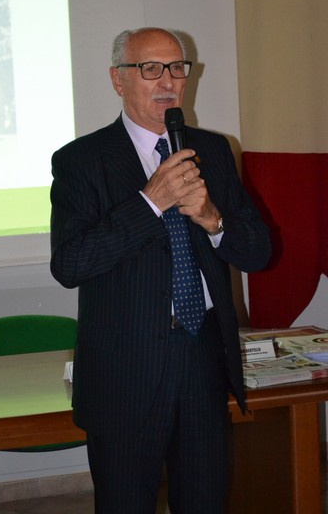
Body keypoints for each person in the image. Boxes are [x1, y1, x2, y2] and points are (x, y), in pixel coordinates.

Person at [50, 27, 271, 514]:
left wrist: (213, 219)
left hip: (203, 357)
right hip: (125, 371)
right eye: (150, 68)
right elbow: (70, 264)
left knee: (205, 501)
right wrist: (150, 202)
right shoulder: (81, 161)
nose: (167, 81)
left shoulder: (213, 151)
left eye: (177, 68)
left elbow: (258, 253)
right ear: (118, 79)